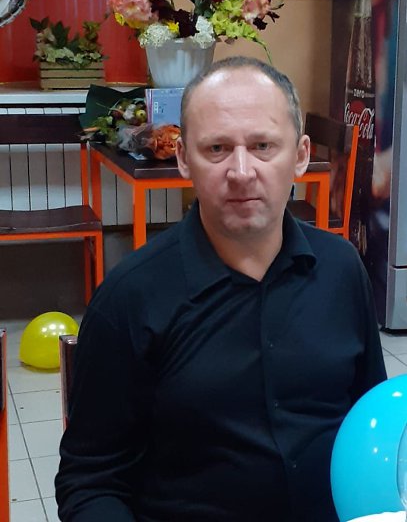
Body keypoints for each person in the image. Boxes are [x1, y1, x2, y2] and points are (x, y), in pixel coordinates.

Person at [55, 56, 386, 521]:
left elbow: (372, 425)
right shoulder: (130, 298)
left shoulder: (342, 270)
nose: (241, 171)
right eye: (217, 148)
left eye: (263, 146)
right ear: (183, 159)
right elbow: (90, 481)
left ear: (301, 155)